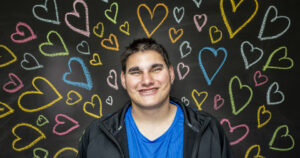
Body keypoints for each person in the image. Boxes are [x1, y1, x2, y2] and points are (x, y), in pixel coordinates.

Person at [76, 38, 232, 158]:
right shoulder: (97, 134)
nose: (147, 80)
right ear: (123, 80)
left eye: (156, 69)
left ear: (171, 73)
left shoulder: (208, 130)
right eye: (136, 72)